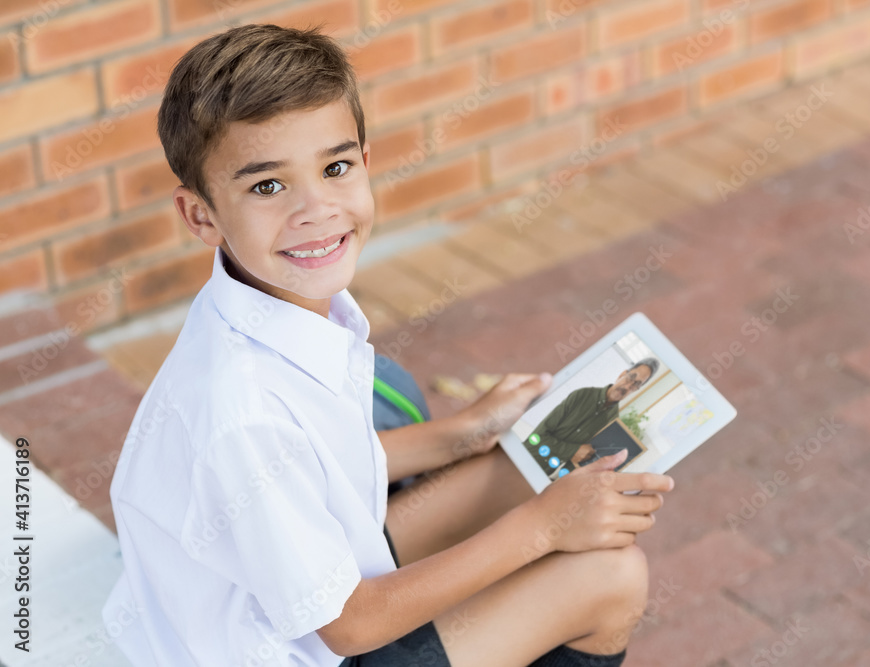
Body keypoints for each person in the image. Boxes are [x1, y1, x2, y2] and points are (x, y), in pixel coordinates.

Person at [102, 24, 674, 667]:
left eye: (335, 167)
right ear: (201, 214)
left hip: (297, 587)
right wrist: (542, 530)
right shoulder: (240, 408)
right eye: (268, 186)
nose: (315, 208)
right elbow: (345, 627)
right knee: (610, 577)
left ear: (365, 163)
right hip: (308, 645)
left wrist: (462, 432)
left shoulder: (264, 304)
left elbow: (315, 463)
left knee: (524, 464)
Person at [524, 360, 660, 478]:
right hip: (525, 456)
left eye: (636, 384)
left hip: (546, 475)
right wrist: (573, 451)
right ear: (622, 374)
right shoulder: (581, 395)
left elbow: (584, 461)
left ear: (636, 390)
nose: (627, 387)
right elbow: (538, 436)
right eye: (630, 377)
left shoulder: (613, 423)